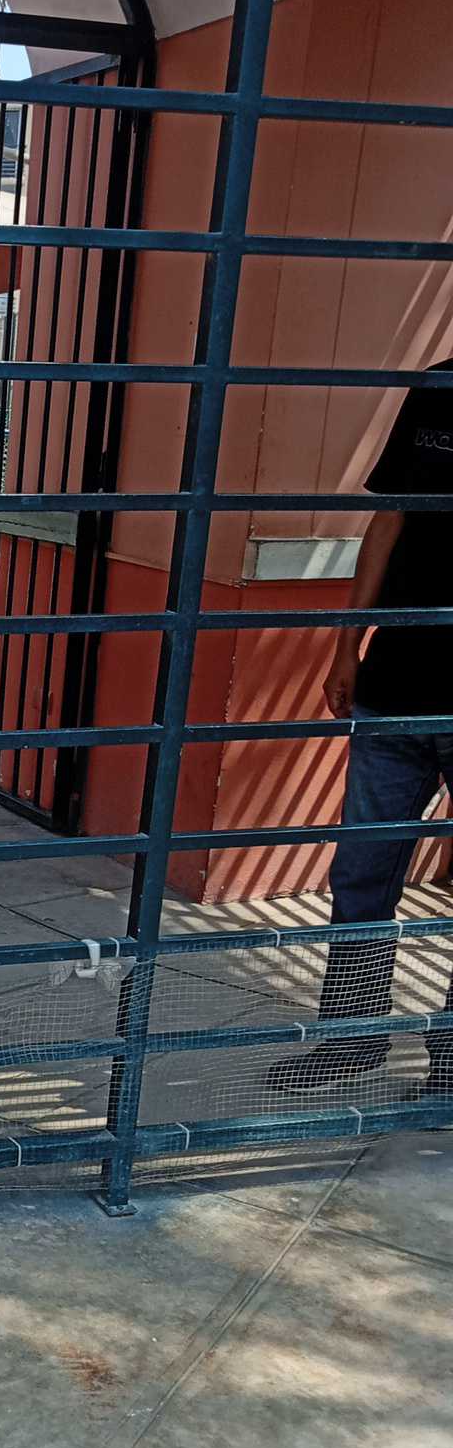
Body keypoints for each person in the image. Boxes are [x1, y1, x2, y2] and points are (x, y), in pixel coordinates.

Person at [267, 359, 453, 1100]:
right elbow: (390, 518)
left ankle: (451, 1063)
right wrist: (348, 644)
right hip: (398, 682)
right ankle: (352, 1039)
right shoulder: (437, 387)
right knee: (362, 874)